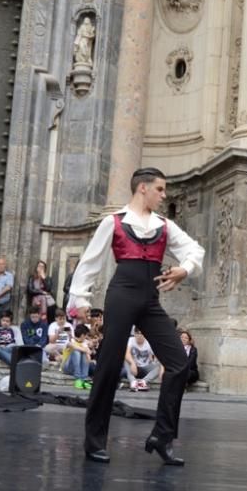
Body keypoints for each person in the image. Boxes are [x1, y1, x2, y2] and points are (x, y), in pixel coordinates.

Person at [67, 167, 204, 466]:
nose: (164, 195)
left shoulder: (164, 225)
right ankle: (94, 441)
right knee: (108, 366)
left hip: (150, 301)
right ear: (142, 188)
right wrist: (80, 300)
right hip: (121, 297)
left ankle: (162, 437)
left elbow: (195, 250)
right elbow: (89, 262)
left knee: (179, 364)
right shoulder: (113, 222)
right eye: (160, 189)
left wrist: (184, 269)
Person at [124, 327, 162, 392]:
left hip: (145, 367)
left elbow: (159, 356)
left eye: (141, 334)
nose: (139, 336)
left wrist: (161, 369)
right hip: (133, 369)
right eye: (137, 333)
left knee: (160, 365)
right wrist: (132, 363)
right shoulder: (130, 340)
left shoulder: (149, 342)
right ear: (134, 334)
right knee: (126, 360)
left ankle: (142, 382)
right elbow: (126, 353)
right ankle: (133, 382)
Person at [63, 324, 94, 390]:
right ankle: (78, 379)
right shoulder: (70, 340)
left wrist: (87, 352)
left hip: (79, 368)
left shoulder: (84, 343)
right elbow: (74, 346)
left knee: (83, 352)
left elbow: (89, 356)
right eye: (86, 335)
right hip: (68, 367)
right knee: (76, 351)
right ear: (83, 335)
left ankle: (84, 379)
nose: (86, 337)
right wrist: (86, 350)